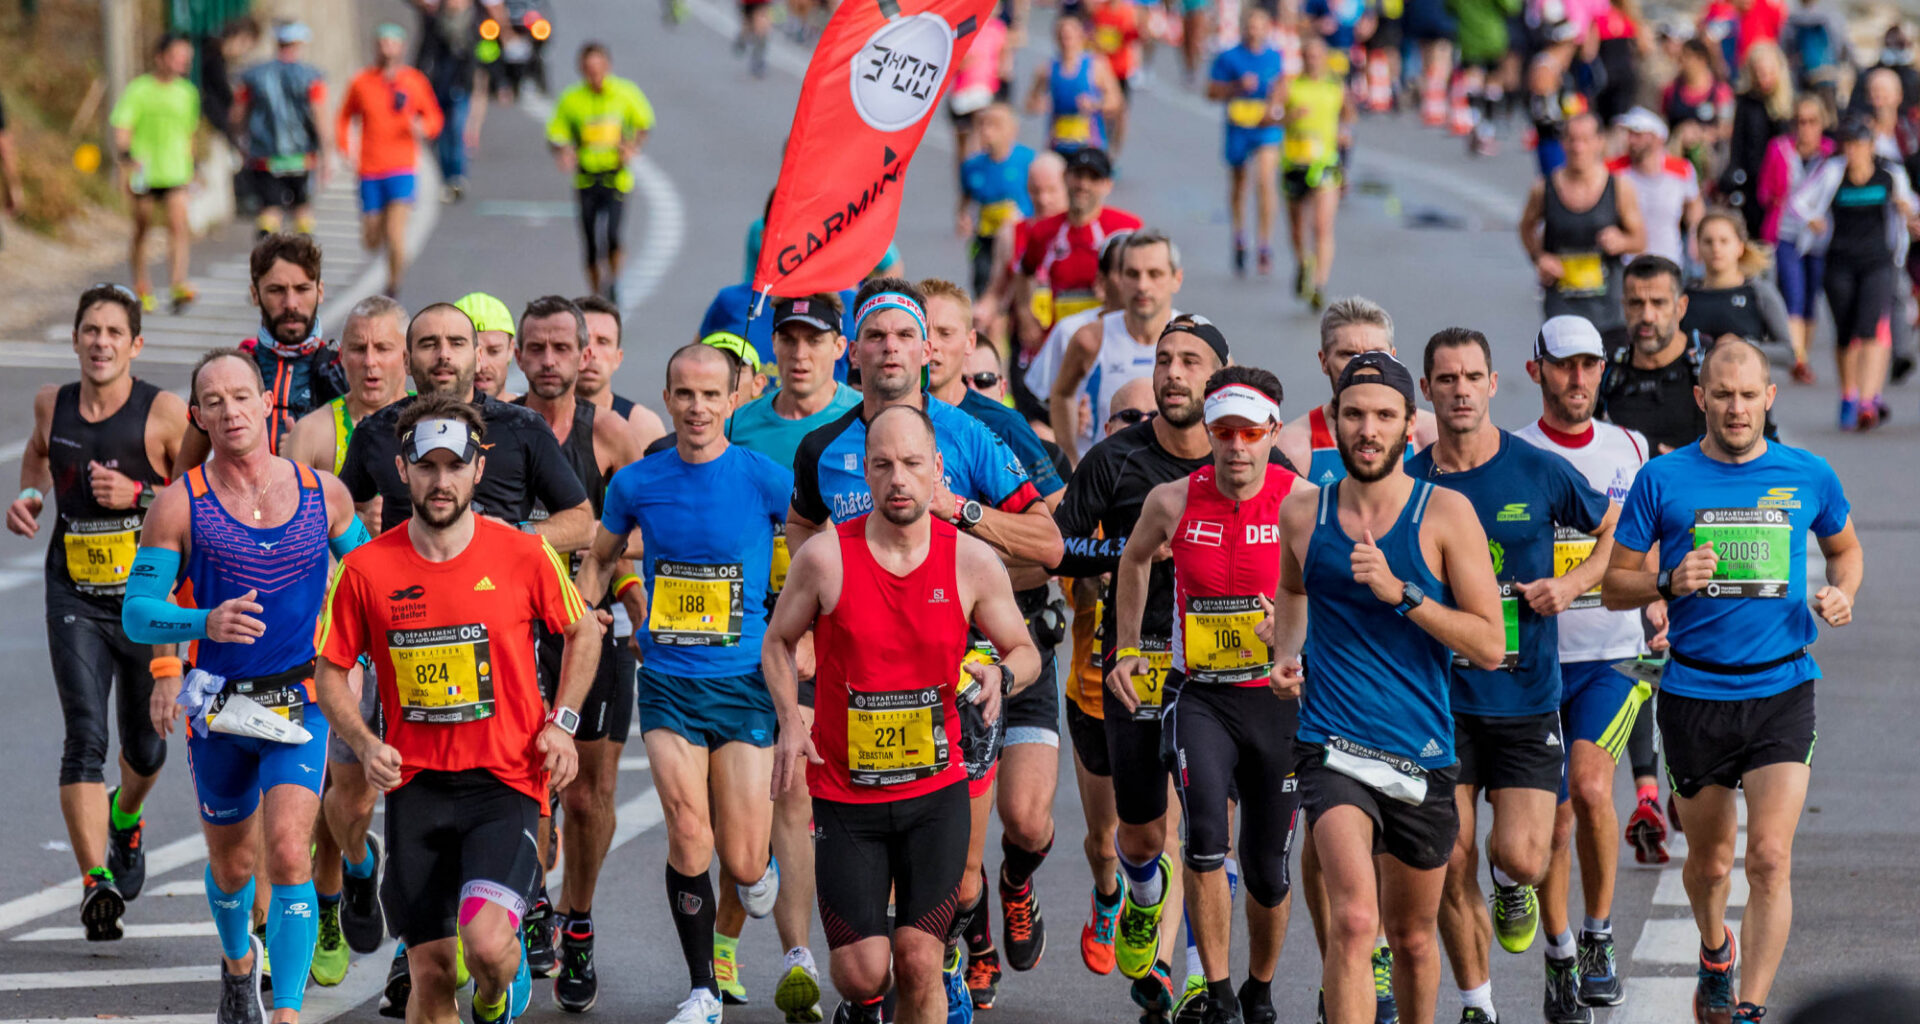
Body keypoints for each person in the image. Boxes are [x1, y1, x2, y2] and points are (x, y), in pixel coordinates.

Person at [1601, 339, 1861, 1024]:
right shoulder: (1664, 480)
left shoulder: (1808, 473)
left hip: (1782, 687)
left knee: (1770, 858)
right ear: (1702, 399)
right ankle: (1715, 949)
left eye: (1749, 395)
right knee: (1712, 864)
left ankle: (1749, 1008)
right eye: (1724, 395)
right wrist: (1664, 579)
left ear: (1769, 398)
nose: (1737, 407)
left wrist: (1843, 593)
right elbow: (1613, 584)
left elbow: (1846, 548)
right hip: (1694, 693)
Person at [316, 393, 596, 1024]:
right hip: (416, 790)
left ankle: (496, 996)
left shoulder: (523, 554)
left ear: (478, 468)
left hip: (505, 782)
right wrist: (363, 743)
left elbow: (585, 634)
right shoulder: (364, 570)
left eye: (454, 466)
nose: (440, 482)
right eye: (426, 467)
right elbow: (330, 673)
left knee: (489, 946)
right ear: (402, 470)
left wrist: (565, 724)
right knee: (433, 974)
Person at [765, 404, 1041, 1024]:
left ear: (936, 469)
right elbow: (778, 641)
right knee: (861, 972)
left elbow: (1026, 652)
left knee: (919, 961)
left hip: (935, 792)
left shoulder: (968, 559)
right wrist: (790, 719)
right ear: (864, 472)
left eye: (913, 464)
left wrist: (1001, 672)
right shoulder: (827, 558)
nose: (898, 479)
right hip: (846, 794)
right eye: (883, 465)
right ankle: (861, 1007)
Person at [125, 348, 366, 1024]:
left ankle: (285, 1011)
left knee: (290, 849)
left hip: (302, 697)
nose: (231, 410)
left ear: (266, 403)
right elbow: (137, 613)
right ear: (198, 415)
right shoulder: (181, 504)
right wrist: (205, 619)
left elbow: (374, 578)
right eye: (214, 400)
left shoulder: (324, 493)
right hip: (220, 707)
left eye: (242, 396)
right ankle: (238, 967)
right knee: (233, 868)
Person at [1277, 351, 1506, 1024]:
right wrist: (1289, 650)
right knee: (1352, 921)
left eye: (1383, 416)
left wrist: (1400, 594)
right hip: (1331, 745)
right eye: (1353, 415)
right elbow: (1293, 588)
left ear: (1411, 426)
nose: (1367, 429)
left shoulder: (1446, 514)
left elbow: (1490, 646)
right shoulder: (1303, 515)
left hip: (1421, 750)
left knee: (1410, 938)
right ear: (1334, 423)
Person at [573, 342, 789, 1024]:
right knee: (689, 832)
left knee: (745, 859)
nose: (697, 407)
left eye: (710, 395)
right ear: (667, 399)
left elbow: (817, 548)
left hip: (744, 682)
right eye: (684, 394)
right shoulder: (638, 483)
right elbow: (600, 556)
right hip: (668, 682)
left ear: (734, 401)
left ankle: (759, 875)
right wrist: (583, 610)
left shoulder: (764, 478)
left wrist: (801, 631)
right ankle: (702, 989)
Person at [1408, 328, 1614, 1024]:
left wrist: (1573, 580)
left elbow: (1618, 526)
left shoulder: (1538, 469)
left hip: (1525, 696)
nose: (1460, 390)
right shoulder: (1410, 481)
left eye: (1472, 377)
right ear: (1428, 390)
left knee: (1522, 857)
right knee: (1448, 854)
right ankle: (1479, 1004)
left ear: (1494, 385)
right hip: (1442, 700)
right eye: (1446, 379)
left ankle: (1516, 888)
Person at [1048, 316, 1236, 1017]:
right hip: (1132, 667)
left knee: (1206, 833)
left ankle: (1196, 977)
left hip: (1220, 672)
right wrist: (1129, 550)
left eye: (1191, 360)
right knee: (1143, 836)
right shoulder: (1115, 460)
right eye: (1163, 360)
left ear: (1222, 372)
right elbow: (1060, 551)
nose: (1174, 373)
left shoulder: (1244, 457)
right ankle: (1139, 897)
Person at [1109, 367, 1303, 1024]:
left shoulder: (1299, 501)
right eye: (1225, 432)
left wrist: (1298, 637)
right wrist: (1129, 648)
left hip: (1277, 704)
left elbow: (1335, 588)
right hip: (1202, 698)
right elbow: (1133, 560)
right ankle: (1216, 992)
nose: (1238, 446)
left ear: (1273, 431)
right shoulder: (1173, 500)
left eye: (1252, 432)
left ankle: (1260, 986)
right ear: (1209, 433)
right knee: (1202, 842)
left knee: (1269, 871)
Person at [7, 285, 186, 941]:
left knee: (145, 748)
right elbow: (37, 454)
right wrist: (29, 494)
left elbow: (198, 496)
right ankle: (94, 883)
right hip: (74, 593)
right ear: (76, 338)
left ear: (135, 344)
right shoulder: (51, 403)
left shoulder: (163, 414)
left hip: (145, 604)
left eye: (114, 332)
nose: (101, 342)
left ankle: (126, 820)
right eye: (90, 330)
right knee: (85, 737)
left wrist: (141, 493)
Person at [717, 293, 864, 1023]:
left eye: (815, 340)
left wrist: (811, 628)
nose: (800, 353)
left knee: (799, 785)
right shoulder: (740, 424)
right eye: (788, 340)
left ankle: (800, 952)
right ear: (773, 347)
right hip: (738, 632)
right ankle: (747, 943)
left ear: (840, 347)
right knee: (743, 793)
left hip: (831, 635)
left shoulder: (862, 424)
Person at [922, 279, 1068, 1009]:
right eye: (928, 331)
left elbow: (1050, 548)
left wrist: (967, 529)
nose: (936, 346)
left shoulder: (999, 429)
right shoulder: (879, 432)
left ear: (967, 343)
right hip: (935, 657)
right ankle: (975, 937)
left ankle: (1018, 885)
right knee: (956, 859)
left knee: (1028, 820)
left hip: (1019, 643)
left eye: (951, 333)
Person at [1513, 316, 1654, 1021]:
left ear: (1604, 370)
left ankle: (1599, 936)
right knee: (1556, 820)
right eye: (1564, 365)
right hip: (1536, 662)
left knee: (1593, 790)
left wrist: (1662, 602)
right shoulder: (1514, 453)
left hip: (1613, 656)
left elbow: (1650, 539)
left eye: (1590, 365)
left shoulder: (1631, 445)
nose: (1578, 379)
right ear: (1537, 370)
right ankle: (1561, 951)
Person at [511, 296, 647, 1006]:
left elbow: (637, 530)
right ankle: (534, 903)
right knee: (528, 787)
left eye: (564, 348)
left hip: (591, 637)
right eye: (535, 348)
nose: (551, 362)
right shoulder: (497, 430)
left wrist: (615, 586)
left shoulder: (613, 437)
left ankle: (580, 921)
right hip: (511, 634)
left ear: (585, 352)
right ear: (516, 354)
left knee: (590, 797)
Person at [284, 295, 412, 984]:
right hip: (340, 636)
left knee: (430, 791)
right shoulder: (313, 435)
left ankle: (415, 938)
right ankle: (352, 876)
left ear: (408, 355)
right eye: (357, 349)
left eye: (383, 349)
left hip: (423, 632)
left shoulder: (431, 430)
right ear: (340, 357)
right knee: (350, 792)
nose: (369, 363)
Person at [338, 302, 592, 545]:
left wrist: (515, 535)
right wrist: (363, 538)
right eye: (429, 344)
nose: (443, 355)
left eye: (456, 343)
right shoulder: (377, 430)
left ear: (478, 357)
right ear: (407, 360)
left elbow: (581, 523)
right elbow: (337, 515)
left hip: (497, 585)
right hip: (406, 588)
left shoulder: (522, 426)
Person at [1788, 115, 1917, 431]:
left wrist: (1907, 211)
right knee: (1846, 334)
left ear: (1871, 147)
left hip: (1878, 262)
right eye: (1850, 145)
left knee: (1871, 328)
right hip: (1840, 262)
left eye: (1860, 145)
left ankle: (1868, 400)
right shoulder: (1833, 173)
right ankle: (1849, 393)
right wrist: (1812, 220)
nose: (1854, 151)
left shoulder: (1889, 176)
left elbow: (1911, 204)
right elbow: (1799, 201)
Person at [177, 234, 349, 471]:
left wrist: (311, 452)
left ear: (319, 291)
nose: (290, 303)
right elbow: (183, 479)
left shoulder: (343, 369)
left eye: (302, 289)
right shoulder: (228, 371)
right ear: (255, 294)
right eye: (276, 290)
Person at [1276, 297, 1439, 487]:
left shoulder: (1431, 436)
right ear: (1324, 361)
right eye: (1348, 354)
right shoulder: (1293, 447)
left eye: (1375, 354)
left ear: (1393, 358)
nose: (1362, 366)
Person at [1051, 231, 1184, 463]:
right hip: (1108, 476)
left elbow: (1225, 400)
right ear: (1119, 279)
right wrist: (1070, 459)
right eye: (1133, 274)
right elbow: (1061, 394)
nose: (1143, 286)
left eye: (1155, 274)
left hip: (1173, 476)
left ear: (1176, 279)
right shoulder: (1090, 339)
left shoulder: (1196, 339)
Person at [336, 23, 443, 299]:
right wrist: (345, 146)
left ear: (402, 47)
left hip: (402, 167)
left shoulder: (414, 81)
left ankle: (393, 286)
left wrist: (424, 128)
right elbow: (344, 116)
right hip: (370, 169)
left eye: (393, 43)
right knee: (372, 238)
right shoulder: (362, 82)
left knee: (396, 235)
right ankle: (383, 251)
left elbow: (434, 117)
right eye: (383, 43)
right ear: (376, 46)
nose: (388, 48)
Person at [1520, 113, 1647, 334]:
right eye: (1572, 140)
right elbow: (1526, 227)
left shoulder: (1619, 187)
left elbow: (1640, 239)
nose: (1578, 148)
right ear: (1563, 143)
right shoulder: (1544, 188)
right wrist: (1540, 257)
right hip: (1562, 300)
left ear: (1599, 143)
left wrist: (1621, 241)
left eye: (1585, 140)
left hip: (1607, 302)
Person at [548, 42, 656, 300]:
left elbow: (644, 123)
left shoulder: (625, 93)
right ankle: (596, 293)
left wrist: (632, 146)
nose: (594, 74)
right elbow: (556, 132)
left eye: (598, 68)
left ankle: (614, 279)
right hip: (586, 178)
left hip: (616, 177)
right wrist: (564, 151)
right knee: (590, 243)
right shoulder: (572, 99)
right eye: (588, 69)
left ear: (608, 66)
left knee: (613, 236)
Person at [111, 33, 201, 314]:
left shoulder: (188, 93)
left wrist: (193, 167)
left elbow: (190, 133)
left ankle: (178, 284)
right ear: (160, 57)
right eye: (176, 56)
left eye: (186, 57)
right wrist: (126, 158)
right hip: (144, 171)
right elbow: (122, 126)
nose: (182, 62)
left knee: (178, 226)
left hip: (176, 170)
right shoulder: (139, 89)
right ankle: (141, 286)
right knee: (142, 227)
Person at [1756, 93, 1834, 383]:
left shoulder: (1831, 154)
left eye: (1812, 121)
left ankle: (1803, 353)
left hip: (1819, 237)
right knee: (1793, 293)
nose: (1806, 128)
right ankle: (1798, 358)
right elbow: (1765, 190)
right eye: (1800, 121)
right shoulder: (1779, 149)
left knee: (1811, 298)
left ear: (1822, 124)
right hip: (1786, 233)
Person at [1207, 8, 1286, 277]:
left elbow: (1281, 89)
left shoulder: (1275, 56)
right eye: (1250, 26)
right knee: (1240, 184)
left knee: (1265, 181)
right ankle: (1240, 236)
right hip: (1238, 126)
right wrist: (1236, 86)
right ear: (1243, 28)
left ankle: (1264, 244)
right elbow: (1212, 92)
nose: (1254, 31)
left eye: (1259, 26)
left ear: (1267, 29)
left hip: (1265, 128)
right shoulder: (1228, 57)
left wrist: (1275, 107)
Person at [232, 22, 328, 237]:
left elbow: (238, 114)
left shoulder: (254, 75)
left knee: (269, 208)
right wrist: (327, 153)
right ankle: (303, 255)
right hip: (302, 155)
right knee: (302, 207)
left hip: (265, 156)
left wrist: (240, 142)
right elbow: (319, 115)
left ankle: (267, 253)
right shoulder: (311, 76)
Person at [1279, 38, 1354, 312]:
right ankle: (1302, 263)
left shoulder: (1336, 87)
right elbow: (1269, 116)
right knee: (1297, 228)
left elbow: (1349, 119)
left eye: (1317, 55)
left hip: (1325, 164)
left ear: (1324, 58)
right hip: (1295, 163)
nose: (1312, 60)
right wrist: (1288, 117)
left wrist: (1345, 144)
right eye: (1307, 55)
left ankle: (1319, 286)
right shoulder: (1289, 85)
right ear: (1302, 57)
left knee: (1322, 227)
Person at [410, 0, 494, 201]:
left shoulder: (477, 18)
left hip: (462, 83)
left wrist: (494, 78)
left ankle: (457, 176)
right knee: (439, 133)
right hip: (439, 83)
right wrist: (417, 77)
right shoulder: (435, 18)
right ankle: (446, 176)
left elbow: (487, 51)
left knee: (456, 129)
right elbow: (425, 50)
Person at [1682, 212, 1793, 356]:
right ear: (1697, 247)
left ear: (1740, 247)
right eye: (1708, 241)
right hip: (1697, 377)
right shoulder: (1684, 294)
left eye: (1724, 241)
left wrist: (1744, 348)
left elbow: (1788, 352)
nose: (1716, 248)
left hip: (1744, 377)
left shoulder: (1759, 292)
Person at [1606, 108, 1703, 268]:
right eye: (1629, 134)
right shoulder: (1613, 169)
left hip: (1669, 259)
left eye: (1638, 134)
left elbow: (1694, 205)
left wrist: (1694, 235)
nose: (1631, 140)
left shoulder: (1681, 169)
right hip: (1625, 263)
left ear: (1657, 138)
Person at [958, 105, 1037, 297]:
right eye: (983, 125)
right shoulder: (971, 166)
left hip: (1017, 237)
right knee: (982, 281)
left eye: (995, 126)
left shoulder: (1028, 160)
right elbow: (966, 197)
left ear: (1011, 130)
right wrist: (963, 217)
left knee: (1014, 287)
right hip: (984, 236)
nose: (987, 132)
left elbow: (1042, 197)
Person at [575, 293, 670, 449]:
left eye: (603, 342)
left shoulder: (643, 427)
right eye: (583, 340)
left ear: (618, 358)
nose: (591, 353)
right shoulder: (536, 421)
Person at [1719, 42, 1793, 241]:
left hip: (1783, 188)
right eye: (1759, 73)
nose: (1764, 78)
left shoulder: (1789, 107)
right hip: (1754, 183)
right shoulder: (1746, 103)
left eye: (1769, 72)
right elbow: (1738, 146)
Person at [1026, 16, 1121, 159]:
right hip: (1058, 143)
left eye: (1070, 37)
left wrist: (1095, 104)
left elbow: (1115, 101)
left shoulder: (1096, 66)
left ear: (1080, 37)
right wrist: (1038, 104)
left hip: (1089, 143)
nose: (1066, 43)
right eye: (1062, 37)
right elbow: (1029, 104)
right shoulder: (1047, 69)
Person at [454, 292, 519, 401]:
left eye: (494, 351)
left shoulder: (534, 414)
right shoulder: (424, 415)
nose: (482, 365)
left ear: (511, 349)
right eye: (471, 353)